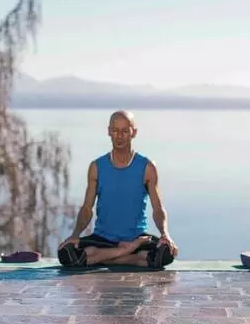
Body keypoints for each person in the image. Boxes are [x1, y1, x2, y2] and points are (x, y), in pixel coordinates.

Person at [57, 110, 178, 269]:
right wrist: (75, 235)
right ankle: (128, 253)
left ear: (133, 133)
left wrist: (165, 234)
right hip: (103, 238)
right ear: (109, 131)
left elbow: (158, 209)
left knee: (165, 253)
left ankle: (108, 257)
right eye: (115, 131)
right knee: (66, 253)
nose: (119, 136)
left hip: (136, 237)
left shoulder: (147, 167)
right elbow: (87, 208)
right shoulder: (97, 167)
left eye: (124, 131)